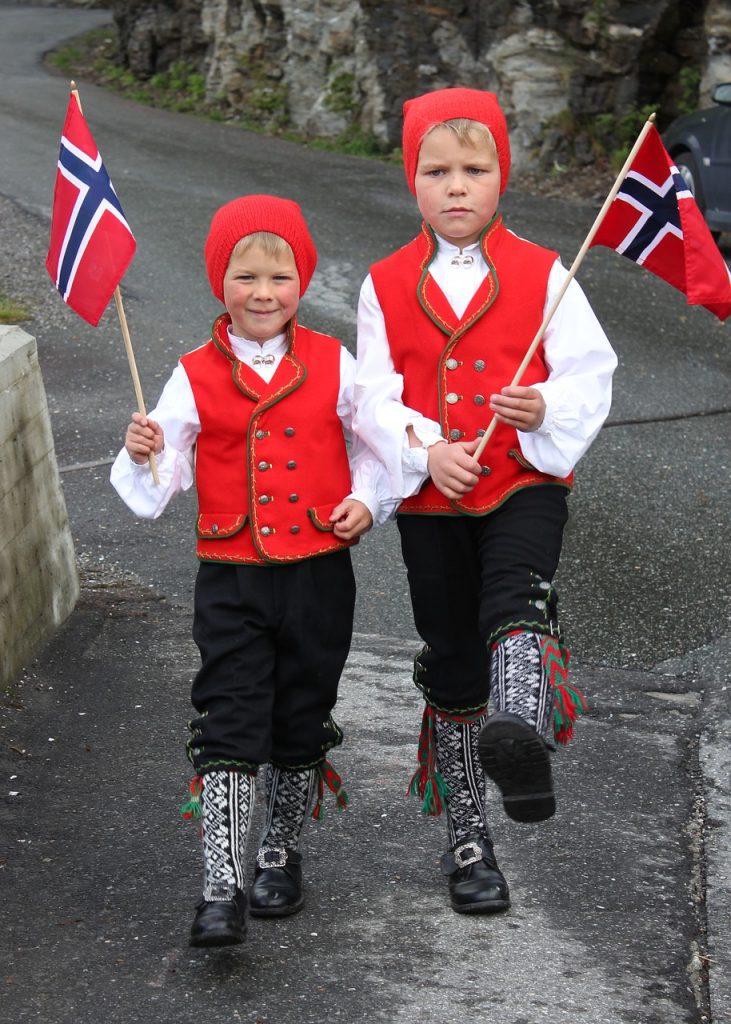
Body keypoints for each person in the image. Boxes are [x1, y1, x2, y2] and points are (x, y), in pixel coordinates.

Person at [353, 88, 617, 914]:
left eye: (475, 169)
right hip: (433, 501)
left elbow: (588, 374)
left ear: (502, 176)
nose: (456, 186)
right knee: (452, 657)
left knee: (516, 598)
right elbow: (368, 395)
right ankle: (469, 836)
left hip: (523, 481)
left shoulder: (548, 273)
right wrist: (425, 449)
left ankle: (521, 729)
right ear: (412, 180)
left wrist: (542, 410)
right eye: (437, 171)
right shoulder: (383, 283)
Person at [111, 194, 395, 947]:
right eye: (244, 277)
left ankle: (279, 850)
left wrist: (366, 501)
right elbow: (161, 474)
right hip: (231, 576)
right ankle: (220, 885)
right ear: (219, 281)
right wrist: (148, 452)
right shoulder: (191, 372)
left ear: (301, 280)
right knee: (229, 720)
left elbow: (382, 446)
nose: (262, 293)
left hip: (318, 573)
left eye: (278, 276)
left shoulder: (336, 363)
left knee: (301, 715)